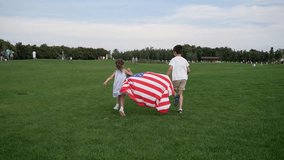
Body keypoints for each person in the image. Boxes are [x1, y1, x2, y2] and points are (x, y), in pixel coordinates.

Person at [166, 45, 190, 114]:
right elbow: (188, 70)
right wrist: (186, 74)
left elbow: (170, 68)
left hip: (176, 78)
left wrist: (166, 76)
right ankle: (180, 109)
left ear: (175, 52)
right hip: (184, 78)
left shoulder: (173, 59)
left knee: (171, 89)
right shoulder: (184, 60)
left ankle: (176, 96)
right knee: (181, 93)